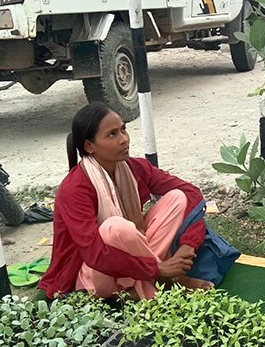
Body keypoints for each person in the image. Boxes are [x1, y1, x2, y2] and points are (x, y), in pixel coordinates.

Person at [39, 104, 213, 300]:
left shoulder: (135, 167)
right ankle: (161, 282)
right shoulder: (75, 189)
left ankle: (138, 286)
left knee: (177, 198)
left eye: (123, 129)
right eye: (112, 134)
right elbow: (95, 254)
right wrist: (157, 269)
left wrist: (186, 248)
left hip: (134, 257)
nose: (124, 140)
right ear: (89, 146)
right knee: (117, 227)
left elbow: (192, 193)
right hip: (93, 272)